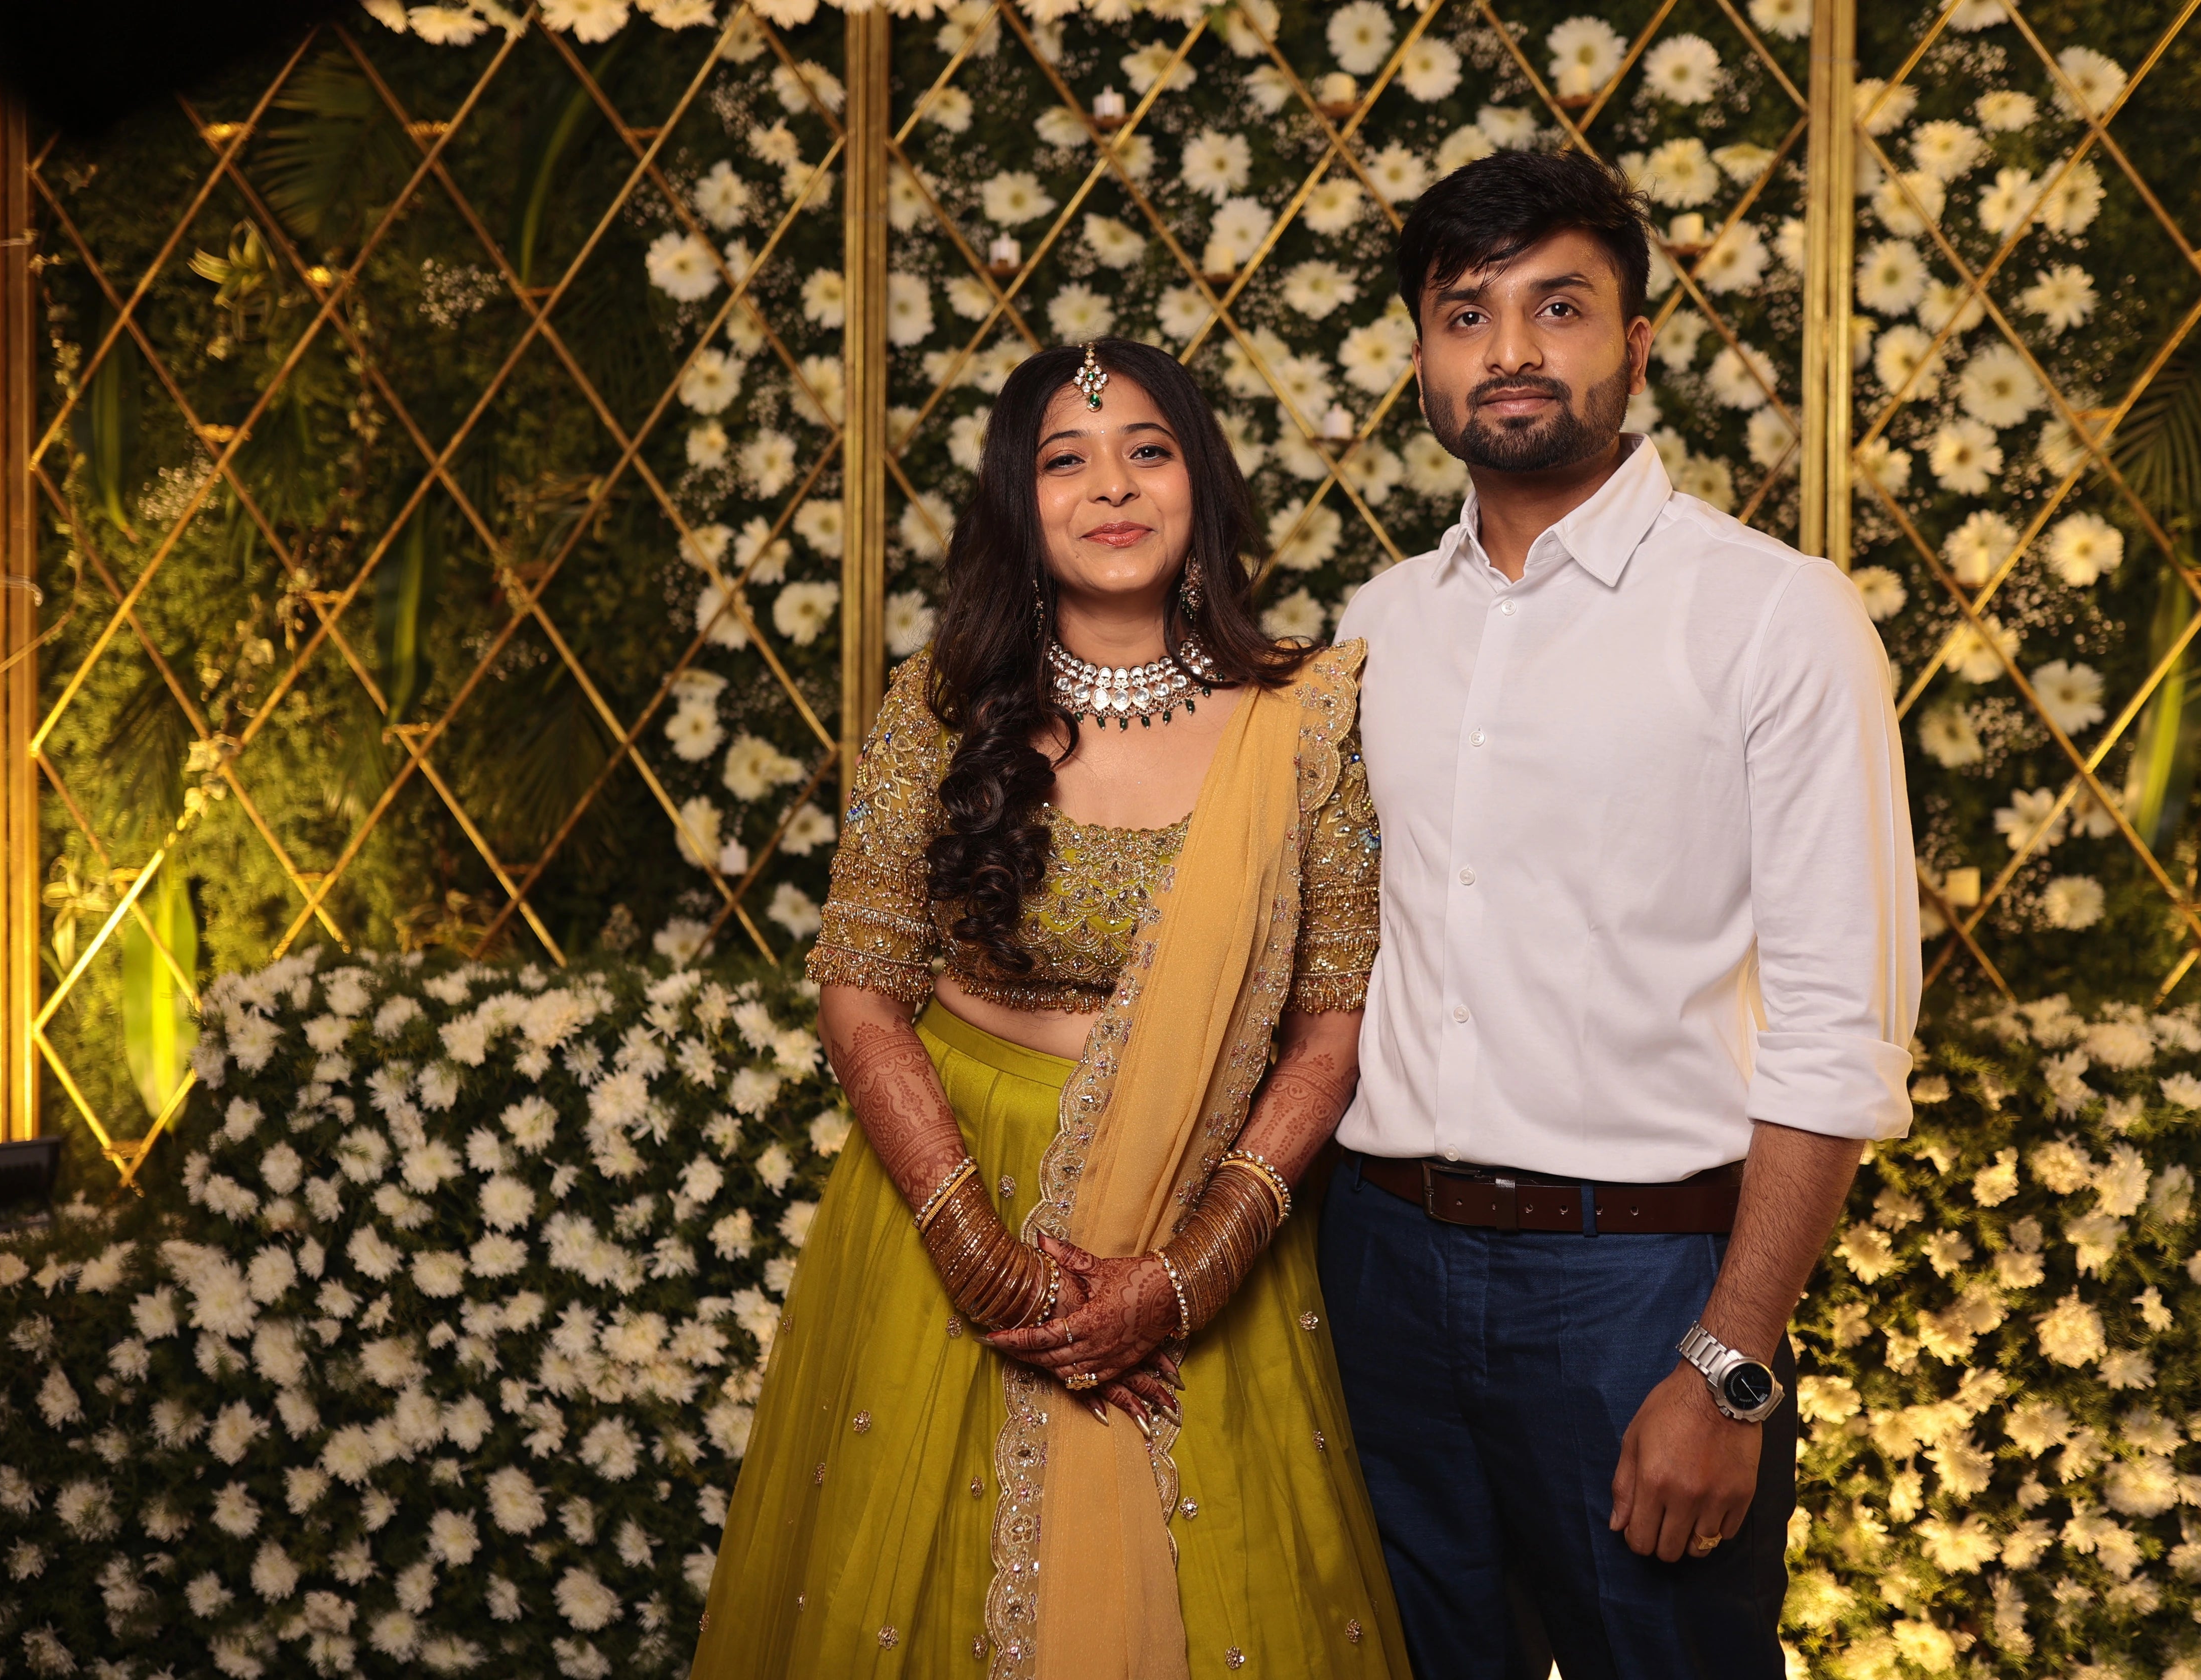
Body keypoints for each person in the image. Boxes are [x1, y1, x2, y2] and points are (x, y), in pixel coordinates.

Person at [692, 338, 1411, 1680]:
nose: (1113, 488)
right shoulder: (943, 706)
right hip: (950, 1199)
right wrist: (977, 1251)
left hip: (1196, 1215)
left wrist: (1186, 1276)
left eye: (1149, 450)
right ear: (1018, 507)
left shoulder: (1298, 721)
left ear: (1201, 481)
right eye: (1065, 461)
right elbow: (860, 991)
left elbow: (1332, 1033)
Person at [1321, 149, 1921, 1679]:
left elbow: (1839, 1029)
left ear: (1637, 343)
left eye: (1558, 305)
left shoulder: (1773, 617)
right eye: (1468, 313)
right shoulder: (1379, 630)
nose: (1510, 350)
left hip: (1634, 1286)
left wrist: (1727, 1368)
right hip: (1379, 1270)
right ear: (1421, 357)